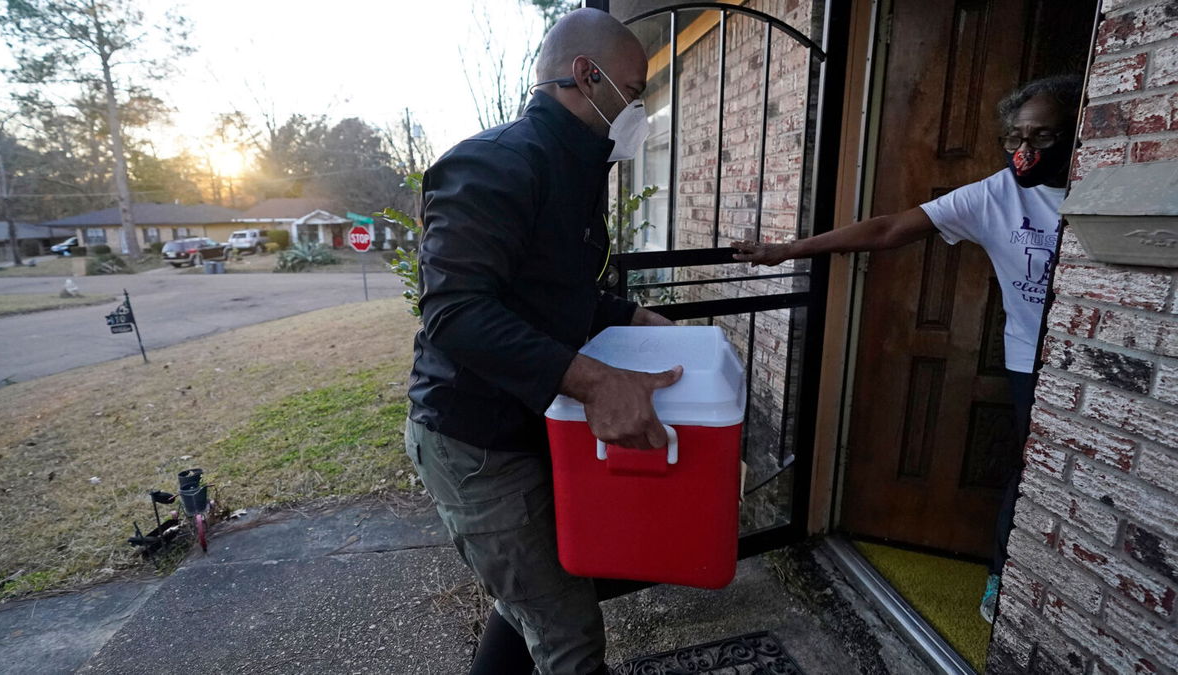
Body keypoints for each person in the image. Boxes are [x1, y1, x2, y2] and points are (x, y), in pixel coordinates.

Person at [731, 74, 1083, 624]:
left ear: (1077, 133)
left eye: (1040, 139)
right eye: (1014, 138)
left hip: (1097, 369)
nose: (1022, 151)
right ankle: (1003, 581)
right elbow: (890, 228)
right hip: (1029, 364)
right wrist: (787, 250)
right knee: (1030, 472)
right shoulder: (998, 194)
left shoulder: (1107, 187)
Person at [404, 9, 679, 675]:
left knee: (528, 593)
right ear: (586, 77)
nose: (639, 107)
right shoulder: (496, 164)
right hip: (476, 444)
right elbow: (455, 311)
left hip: (525, 428)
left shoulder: (575, 167)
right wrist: (597, 381)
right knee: (569, 638)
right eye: (634, 90)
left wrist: (637, 317)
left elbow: (554, 293)